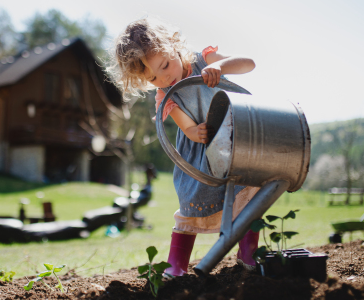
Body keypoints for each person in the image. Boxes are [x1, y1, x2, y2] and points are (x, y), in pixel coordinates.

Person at [106, 17, 261, 276]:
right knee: (193, 205)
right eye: (154, 77)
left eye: (165, 65)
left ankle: (248, 256)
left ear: (174, 44)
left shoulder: (204, 60)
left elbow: (249, 64)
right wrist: (194, 131)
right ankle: (176, 267)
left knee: (248, 197)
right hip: (200, 153)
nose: (165, 77)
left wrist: (220, 67)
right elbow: (186, 126)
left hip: (234, 140)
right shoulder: (167, 94)